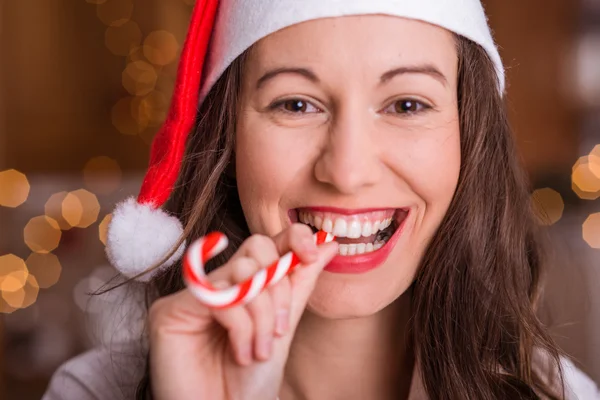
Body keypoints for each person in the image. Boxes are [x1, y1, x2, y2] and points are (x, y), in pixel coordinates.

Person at [43, 0, 600, 399]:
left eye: (407, 104)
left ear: (469, 137)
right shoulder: (90, 392)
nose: (348, 171)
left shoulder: (558, 395)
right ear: (228, 136)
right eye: (296, 104)